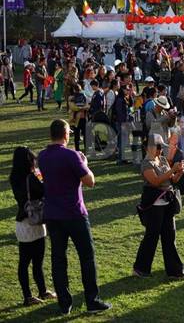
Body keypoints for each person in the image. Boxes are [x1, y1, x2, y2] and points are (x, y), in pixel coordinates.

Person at [38, 119, 111, 315]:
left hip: (53, 214)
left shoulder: (42, 156)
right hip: (74, 213)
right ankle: (92, 301)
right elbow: (90, 182)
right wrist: (84, 163)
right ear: (65, 134)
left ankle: (64, 303)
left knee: (58, 259)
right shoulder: (71, 155)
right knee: (87, 256)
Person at [133, 134, 184, 279]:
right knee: (152, 236)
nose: (160, 150)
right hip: (154, 204)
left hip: (167, 202)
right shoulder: (146, 164)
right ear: (148, 147)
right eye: (158, 147)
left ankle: (175, 271)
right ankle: (141, 269)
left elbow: (172, 180)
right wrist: (172, 170)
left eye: (161, 147)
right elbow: (156, 182)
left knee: (170, 236)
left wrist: (179, 172)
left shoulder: (162, 159)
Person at [10, 146, 56, 306]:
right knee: (35, 261)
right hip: (34, 221)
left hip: (23, 222)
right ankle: (35, 294)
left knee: (25, 261)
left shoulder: (15, 177)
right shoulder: (30, 178)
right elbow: (45, 191)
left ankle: (34, 293)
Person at [68, 84, 89, 152]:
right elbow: (87, 106)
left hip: (76, 118)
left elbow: (72, 107)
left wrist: (78, 108)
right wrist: (82, 108)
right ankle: (85, 149)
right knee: (84, 135)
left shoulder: (71, 98)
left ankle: (77, 150)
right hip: (82, 117)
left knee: (77, 136)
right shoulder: (84, 96)